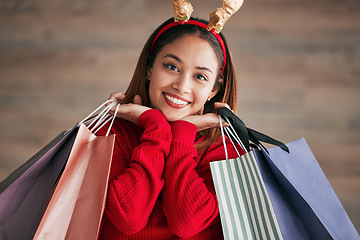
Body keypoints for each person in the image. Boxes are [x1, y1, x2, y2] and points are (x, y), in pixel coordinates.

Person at [96, 15, 246, 239]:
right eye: (172, 66)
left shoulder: (225, 150)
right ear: (149, 69)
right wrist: (156, 129)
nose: (182, 86)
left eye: (200, 76)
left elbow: (187, 223)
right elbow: (127, 219)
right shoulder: (109, 134)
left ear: (214, 89)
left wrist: (182, 135)